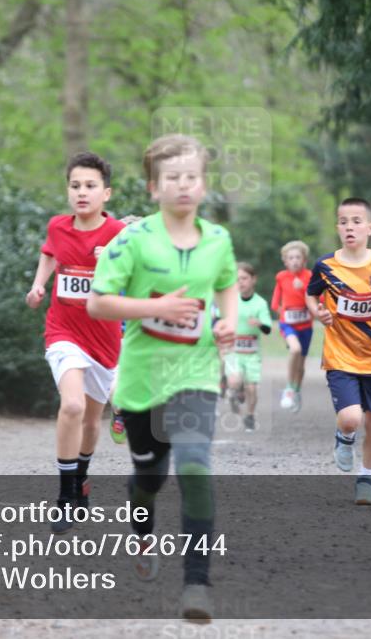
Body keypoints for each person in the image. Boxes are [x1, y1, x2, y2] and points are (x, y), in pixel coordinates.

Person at [88, 133, 237, 623]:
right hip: (141, 381)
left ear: (204, 184)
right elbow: (98, 302)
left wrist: (228, 319)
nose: (183, 186)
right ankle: (139, 510)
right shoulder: (130, 240)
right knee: (149, 476)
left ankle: (197, 584)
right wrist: (156, 307)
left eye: (192, 177)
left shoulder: (217, 240)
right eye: (172, 178)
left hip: (195, 373)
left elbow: (226, 283)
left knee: (194, 466)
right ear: (154, 187)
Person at [26, 151, 129, 534]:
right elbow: (49, 254)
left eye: (90, 186)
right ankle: (65, 495)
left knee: (90, 420)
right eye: (75, 186)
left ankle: (82, 477)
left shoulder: (119, 233)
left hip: (104, 339)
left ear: (107, 193)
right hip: (63, 332)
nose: (81, 193)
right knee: (71, 405)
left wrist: (112, 263)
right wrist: (38, 285)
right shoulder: (58, 226)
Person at [305, 197, 371, 506]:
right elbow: (311, 295)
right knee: (350, 419)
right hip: (339, 354)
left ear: (370, 228)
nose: (350, 227)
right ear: (337, 227)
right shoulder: (326, 265)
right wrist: (317, 313)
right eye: (344, 221)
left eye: (357, 221)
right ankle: (344, 438)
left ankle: (366, 478)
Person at [225, 262, 273, 432]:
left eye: (244, 278)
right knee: (235, 380)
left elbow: (267, 329)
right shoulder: (230, 301)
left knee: (251, 387)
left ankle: (250, 416)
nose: (241, 282)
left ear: (253, 279)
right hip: (233, 352)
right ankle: (233, 392)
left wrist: (259, 324)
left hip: (252, 353)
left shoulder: (259, 303)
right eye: (237, 279)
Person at [271, 240, 313, 413]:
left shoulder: (309, 276)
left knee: (301, 365)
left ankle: (296, 391)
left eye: (298, 257)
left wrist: (303, 289)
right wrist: (283, 313)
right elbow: (275, 303)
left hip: (306, 326)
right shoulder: (281, 277)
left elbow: (318, 300)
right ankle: (288, 389)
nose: (294, 261)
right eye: (291, 258)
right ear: (285, 261)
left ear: (304, 260)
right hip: (288, 324)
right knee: (294, 350)